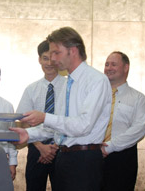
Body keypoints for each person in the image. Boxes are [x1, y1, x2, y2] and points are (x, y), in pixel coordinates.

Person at [11, 26, 111, 191]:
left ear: (72, 51)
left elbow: (83, 125)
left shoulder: (96, 80)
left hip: (84, 160)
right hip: (64, 158)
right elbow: (58, 126)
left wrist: (44, 117)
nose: (52, 58)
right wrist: (28, 134)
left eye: (56, 52)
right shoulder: (68, 83)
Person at [16, 40, 66, 190]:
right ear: (39, 60)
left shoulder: (70, 87)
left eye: (52, 58)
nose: (49, 63)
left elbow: (73, 120)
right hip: (36, 150)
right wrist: (41, 146)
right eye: (45, 58)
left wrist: (54, 146)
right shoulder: (31, 89)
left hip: (63, 150)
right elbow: (23, 121)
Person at [101, 51, 145, 191]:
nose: (109, 68)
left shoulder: (138, 98)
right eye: (106, 64)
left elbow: (139, 129)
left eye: (114, 64)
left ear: (126, 67)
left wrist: (109, 146)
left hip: (122, 158)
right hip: (94, 156)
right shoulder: (96, 96)